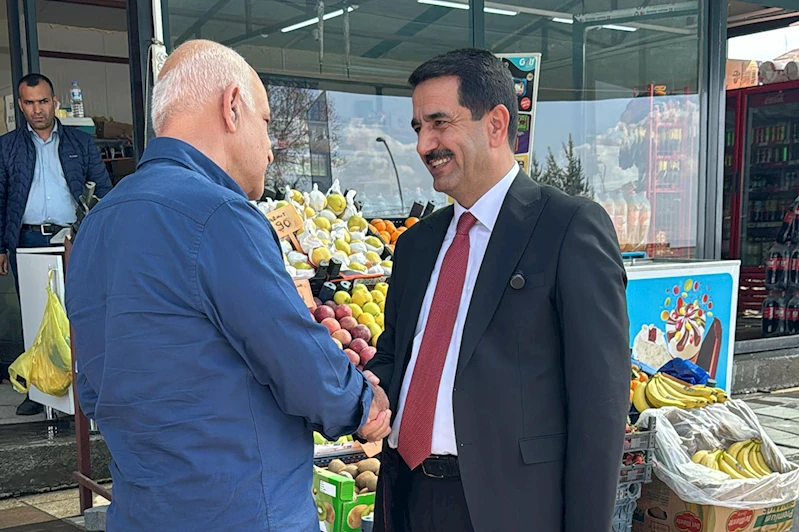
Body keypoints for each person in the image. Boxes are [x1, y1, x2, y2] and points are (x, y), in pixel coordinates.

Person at [65, 40, 391, 531]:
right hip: (243, 512)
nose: (270, 147)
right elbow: (297, 360)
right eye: (265, 122)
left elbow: (92, 390)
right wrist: (362, 405)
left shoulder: (95, 226)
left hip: (140, 511)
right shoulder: (218, 214)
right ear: (231, 106)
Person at [363, 49, 630, 532]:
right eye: (418, 128)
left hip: (511, 509)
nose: (425, 144)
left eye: (440, 123)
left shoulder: (568, 228)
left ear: (496, 123)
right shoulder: (417, 244)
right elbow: (395, 356)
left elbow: (600, 409)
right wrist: (366, 392)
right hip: (406, 498)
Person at [0, 73, 111, 415]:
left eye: (43, 101)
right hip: (28, 237)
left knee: (78, 310)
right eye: (30, 102)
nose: (37, 109)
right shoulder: (8, 146)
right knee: (35, 315)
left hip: (73, 237)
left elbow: (103, 189)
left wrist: (104, 235)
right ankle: (39, 390)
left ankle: (85, 383)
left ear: (55, 102)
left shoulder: (79, 143)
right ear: (20, 105)